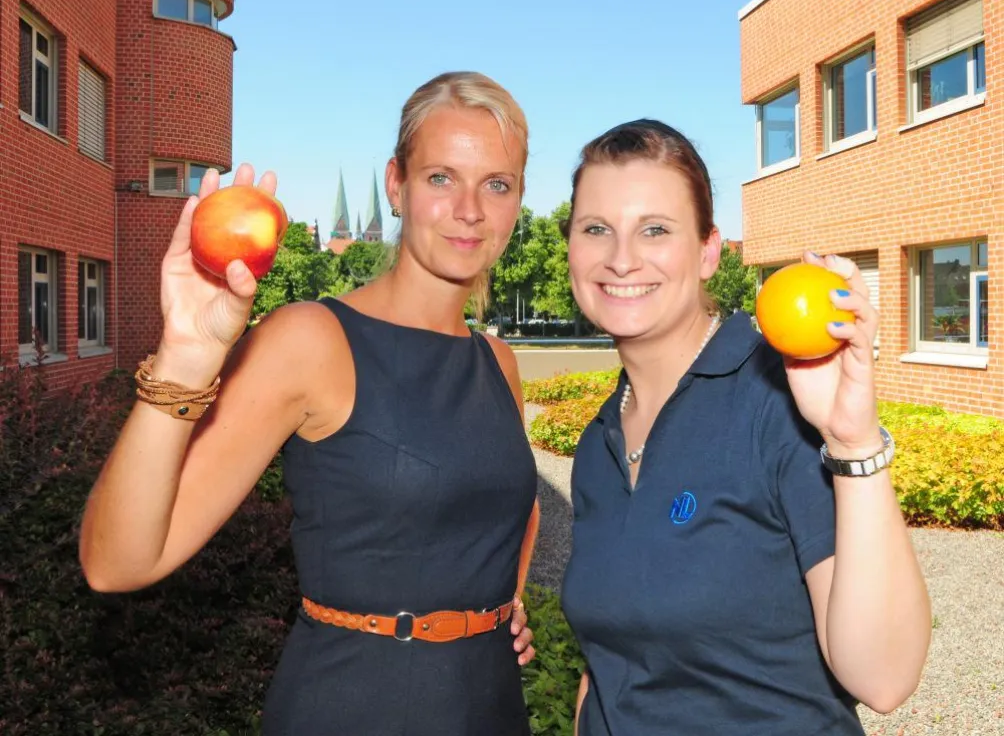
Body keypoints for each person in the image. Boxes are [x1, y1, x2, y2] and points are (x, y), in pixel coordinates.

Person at [79, 72, 541, 736]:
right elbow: (116, 563)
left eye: (497, 184)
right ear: (396, 184)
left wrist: (499, 604)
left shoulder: (498, 362)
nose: (470, 209)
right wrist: (185, 356)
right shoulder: (311, 339)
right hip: (356, 705)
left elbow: (503, 511)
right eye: (442, 178)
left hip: (491, 704)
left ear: (518, 199)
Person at [559, 119, 931, 736]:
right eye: (596, 229)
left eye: (655, 229)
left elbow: (885, 676)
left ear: (708, 252)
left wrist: (852, 442)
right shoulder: (598, 443)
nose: (621, 258)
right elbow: (608, 664)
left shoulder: (778, 402)